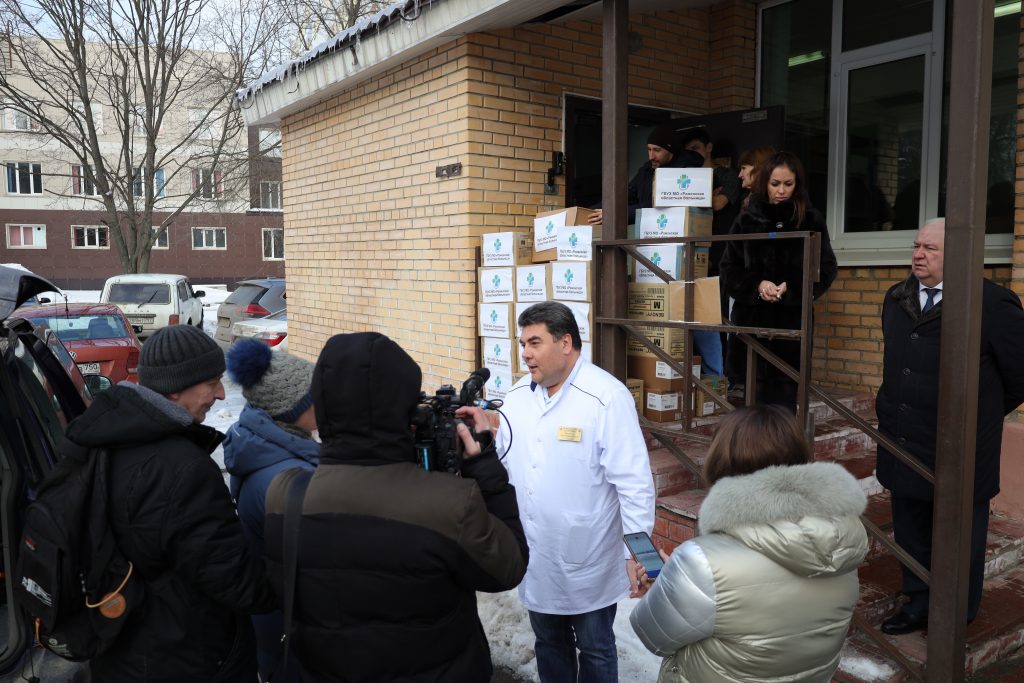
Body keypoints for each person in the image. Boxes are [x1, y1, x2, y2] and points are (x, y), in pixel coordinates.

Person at [263, 332, 528, 682]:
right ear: (405, 410)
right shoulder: (449, 504)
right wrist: (485, 467)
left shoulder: (284, 493)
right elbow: (508, 566)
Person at [60, 324, 277, 682]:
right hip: (182, 658)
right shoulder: (182, 470)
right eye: (212, 383)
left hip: (119, 650)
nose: (222, 394)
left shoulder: (99, 440)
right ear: (175, 388)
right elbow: (235, 581)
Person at [629, 405, 868, 683]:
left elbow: (652, 636)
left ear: (720, 460)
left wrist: (671, 586)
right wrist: (683, 585)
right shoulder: (841, 545)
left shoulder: (701, 564)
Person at [875, 218, 1024, 634]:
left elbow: (1018, 375)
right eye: (916, 245)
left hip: (960, 445)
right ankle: (917, 602)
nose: (919, 255)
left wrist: (977, 413)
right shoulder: (896, 297)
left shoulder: (991, 304)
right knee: (910, 525)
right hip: (904, 435)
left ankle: (956, 613)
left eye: (931, 248)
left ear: (957, 255)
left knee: (960, 535)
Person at [499, 301, 656, 683]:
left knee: (596, 648)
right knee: (548, 643)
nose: (525, 353)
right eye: (523, 343)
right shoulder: (516, 397)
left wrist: (639, 556)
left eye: (535, 342)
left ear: (565, 343)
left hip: (590, 560)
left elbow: (634, 485)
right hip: (537, 555)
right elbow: (503, 466)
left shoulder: (605, 397)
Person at [223, 338, 319, 682]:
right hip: (289, 634)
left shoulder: (266, 448)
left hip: (274, 625)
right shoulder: (287, 475)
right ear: (291, 409)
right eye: (314, 397)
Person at [718, 151, 838, 410]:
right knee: (749, 405)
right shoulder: (746, 220)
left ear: (798, 184)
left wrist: (792, 288)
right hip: (751, 325)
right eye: (775, 184)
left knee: (784, 405)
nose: (781, 191)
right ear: (765, 183)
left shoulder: (811, 220)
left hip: (791, 326)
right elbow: (728, 270)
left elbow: (827, 267)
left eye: (788, 184)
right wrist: (757, 286)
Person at [587, 123, 706, 227]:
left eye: (657, 150)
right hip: (649, 231)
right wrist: (590, 211)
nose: (651, 156)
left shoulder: (687, 171)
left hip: (674, 231)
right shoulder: (647, 169)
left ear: (671, 151)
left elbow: (657, 204)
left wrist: (616, 214)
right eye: (649, 149)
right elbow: (627, 195)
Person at [679, 127, 741, 277]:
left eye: (695, 148)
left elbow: (718, 203)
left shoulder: (726, 174)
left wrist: (689, 196)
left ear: (709, 147)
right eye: (688, 151)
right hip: (692, 242)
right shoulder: (682, 176)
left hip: (721, 245)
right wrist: (705, 196)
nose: (692, 154)